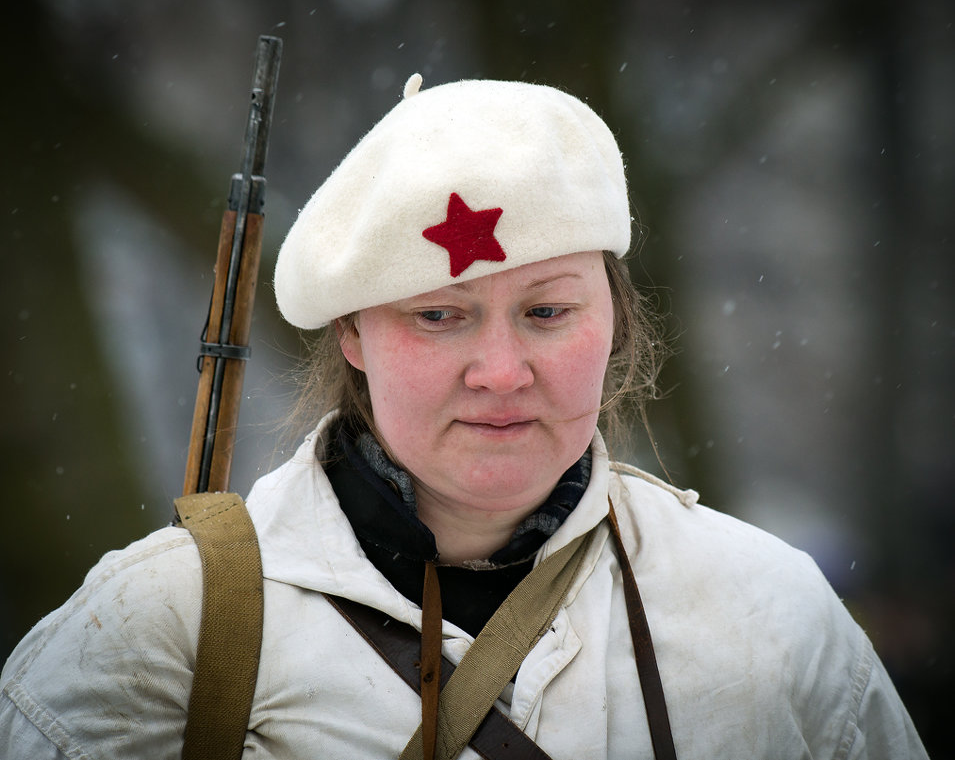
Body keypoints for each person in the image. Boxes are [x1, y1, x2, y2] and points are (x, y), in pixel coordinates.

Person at [0, 73, 928, 760]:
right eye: (438, 315)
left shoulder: (770, 612)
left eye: (547, 311)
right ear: (355, 335)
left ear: (612, 321)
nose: (500, 371)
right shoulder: (160, 626)